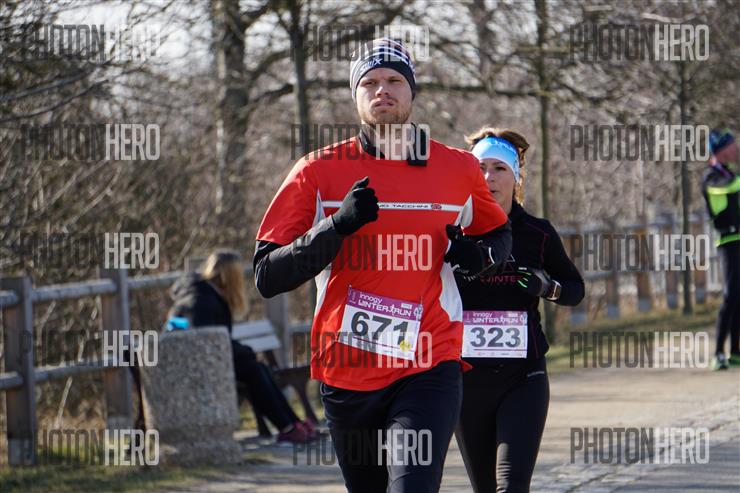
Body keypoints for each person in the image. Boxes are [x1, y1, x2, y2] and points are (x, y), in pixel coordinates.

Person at [253, 38, 512, 492]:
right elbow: (267, 275)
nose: (382, 90)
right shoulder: (316, 171)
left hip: (430, 360)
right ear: (355, 96)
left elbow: (498, 236)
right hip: (347, 366)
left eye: (394, 80)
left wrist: (477, 258)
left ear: (412, 91)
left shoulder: (457, 168)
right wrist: (336, 226)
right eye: (369, 82)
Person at [454, 128, 585, 493]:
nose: (489, 178)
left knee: (512, 487)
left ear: (516, 177)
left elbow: (575, 290)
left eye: (499, 169)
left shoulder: (537, 233)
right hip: (466, 380)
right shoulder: (454, 233)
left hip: (524, 377)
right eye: (480, 168)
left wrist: (548, 287)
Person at [168, 249, 317, 444]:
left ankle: (292, 424)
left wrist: (243, 352)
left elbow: (217, 339)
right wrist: (245, 352)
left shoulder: (205, 293)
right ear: (230, 276)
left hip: (202, 358)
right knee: (254, 371)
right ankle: (288, 427)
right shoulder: (201, 300)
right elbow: (206, 341)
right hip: (192, 364)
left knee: (258, 368)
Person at [702, 129, 740, 370]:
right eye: (732, 145)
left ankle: (735, 351)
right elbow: (728, 188)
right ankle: (718, 353)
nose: (736, 149)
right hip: (727, 242)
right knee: (730, 295)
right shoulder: (712, 177)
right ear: (721, 150)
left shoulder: (730, 174)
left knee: (739, 296)